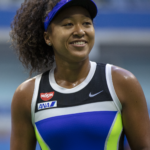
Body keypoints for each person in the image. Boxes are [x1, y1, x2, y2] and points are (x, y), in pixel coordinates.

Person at [10, 0, 150, 150]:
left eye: (86, 23)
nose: (80, 31)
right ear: (47, 37)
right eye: (68, 24)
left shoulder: (122, 82)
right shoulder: (27, 95)